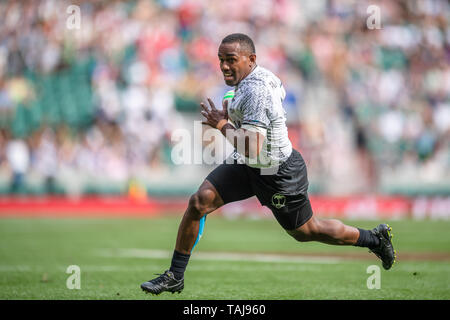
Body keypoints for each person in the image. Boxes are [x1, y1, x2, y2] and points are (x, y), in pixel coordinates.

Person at [140, 33, 396, 295]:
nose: (224, 66)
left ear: (251, 59)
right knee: (199, 201)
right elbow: (274, 95)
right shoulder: (253, 79)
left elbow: (253, 146)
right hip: (249, 164)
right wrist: (233, 113)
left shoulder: (257, 89)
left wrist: (222, 124)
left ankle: (374, 239)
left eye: (231, 60)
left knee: (307, 231)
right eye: (221, 60)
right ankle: (175, 276)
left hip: (277, 171)